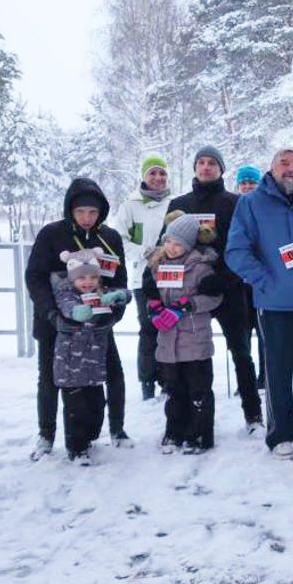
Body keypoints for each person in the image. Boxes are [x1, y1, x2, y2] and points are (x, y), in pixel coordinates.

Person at [226, 147, 293, 459]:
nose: (291, 169)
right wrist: (264, 281)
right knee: (277, 370)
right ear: (272, 168)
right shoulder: (251, 203)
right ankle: (280, 434)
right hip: (274, 305)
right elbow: (236, 251)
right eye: (284, 163)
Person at [26, 177, 131, 461]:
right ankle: (46, 434)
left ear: (102, 212)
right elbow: (34, 277)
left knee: (113, 373)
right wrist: (52, 313)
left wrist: (113, 313)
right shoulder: (51, 235)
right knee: (49, 378)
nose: (87, 218)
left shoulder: (108, 238)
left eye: (93, 212)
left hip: (97, 323)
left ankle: (117, 429)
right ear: (70, 210)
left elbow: (119, 280)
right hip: (55, 324)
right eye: (81, 211)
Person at [168, 146, 263, 430]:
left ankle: (253, 413)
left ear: (221, 170)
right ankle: (187, 415)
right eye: (201, 162)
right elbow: (166, 247)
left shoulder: (234, 203)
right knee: (188, 354)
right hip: (187, 292)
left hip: (227, 288)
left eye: (212, 163)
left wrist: (224, 277)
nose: (206, 167)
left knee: (241, 351)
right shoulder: (178, 204)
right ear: (195, 167)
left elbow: (246, 244)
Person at [144, 213, 223, 454]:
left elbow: (215, 297)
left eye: (178, 244)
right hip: (168, 342)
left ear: (189, 245)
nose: (171, 247)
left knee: (198, 391)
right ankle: (174, 430)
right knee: (174, 391)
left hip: (194, 339)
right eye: (168, 241)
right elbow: (152, 295)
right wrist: (154, 308)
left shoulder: (200, 267)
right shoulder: (158, 266)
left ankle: (199, 434)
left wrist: (189, 304)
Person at [50, 248, 128, 463]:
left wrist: (120, 296)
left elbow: (124, 295)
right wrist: (75, 312)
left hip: (94, 362)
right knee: (76, 408)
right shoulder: (65, 292)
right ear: (73, 278)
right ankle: (77, 448)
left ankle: (90, 436)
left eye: (93, 277)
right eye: (82, 277)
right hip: (70, 362)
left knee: (96, 404)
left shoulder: (101, 292)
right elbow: (66, 306)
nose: (88, 282)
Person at [111, 154, 173, 401]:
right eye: (152, 173)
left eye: (162, 173)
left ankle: (170, 382)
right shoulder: (130, 205)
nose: (158, 178)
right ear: (144, 176)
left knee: (170, 328)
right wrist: (147, 254)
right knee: (148, 329)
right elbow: (119, 241)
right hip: (142, 278)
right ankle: (147, 382)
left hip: (171, 277)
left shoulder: (175, 203)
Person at [236, 164, 266, 388]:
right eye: (244, 183)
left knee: (264, 331)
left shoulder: (265, 206)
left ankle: (265, 375)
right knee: (242, 333)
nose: (247, 187)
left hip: (262, 279)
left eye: (251, 183)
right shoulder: (233, 206)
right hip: (238, 282)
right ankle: (246, 378)